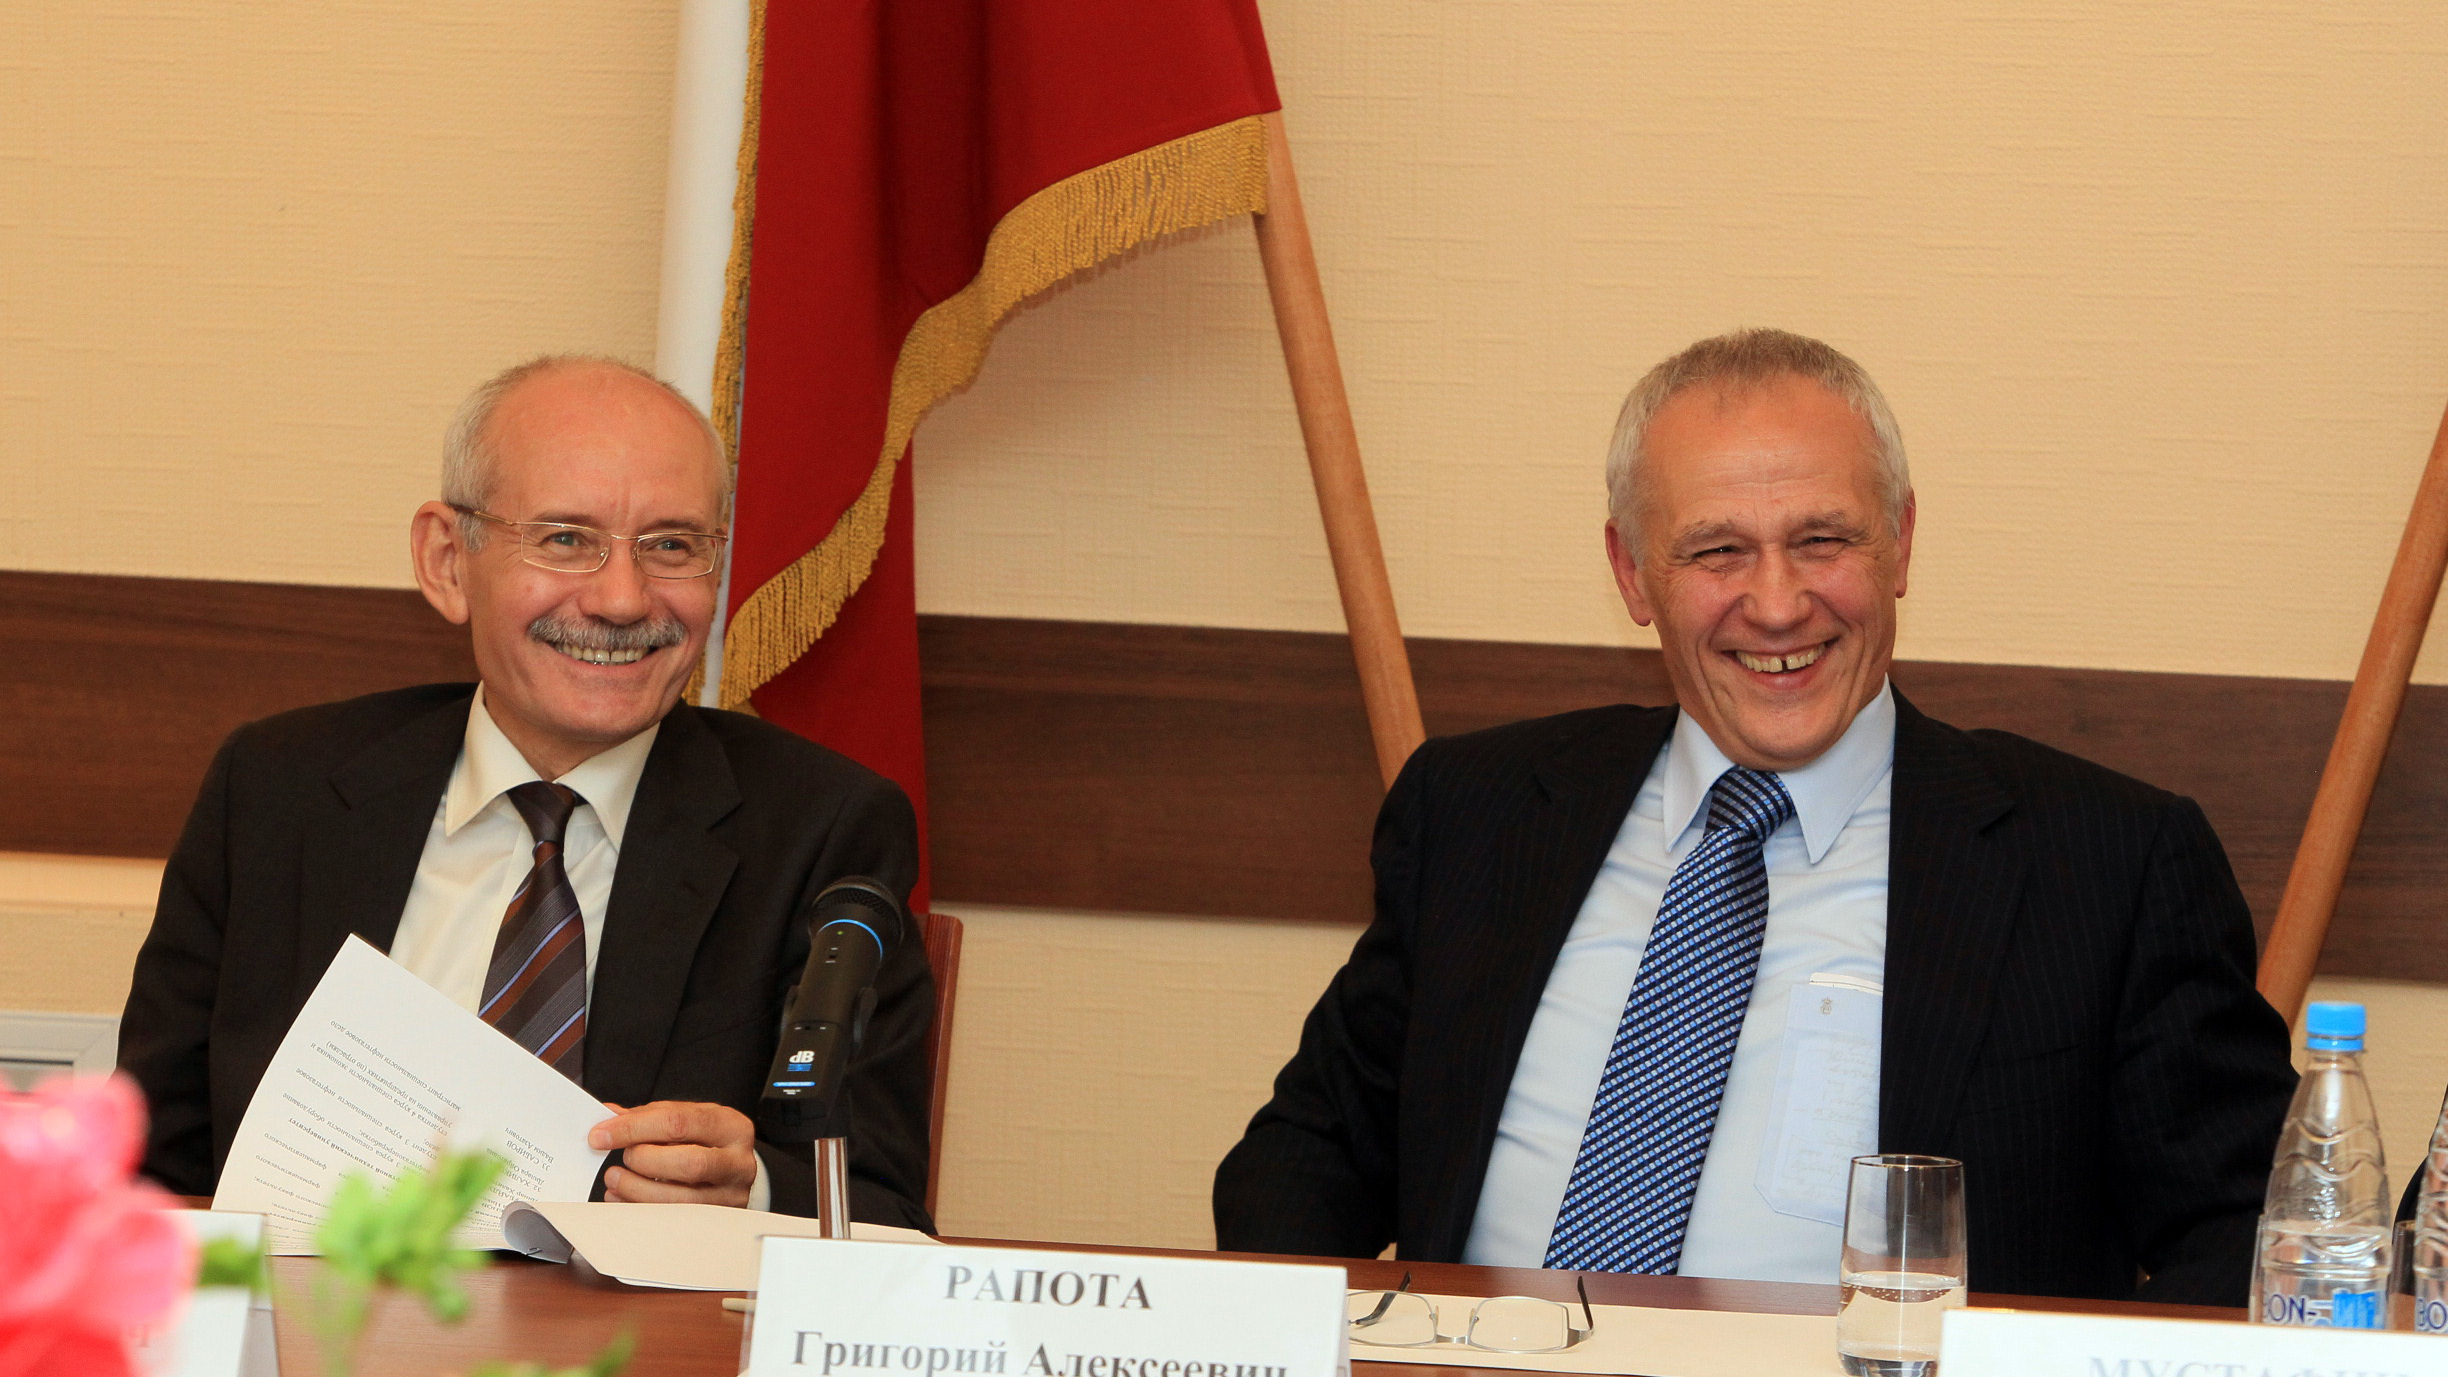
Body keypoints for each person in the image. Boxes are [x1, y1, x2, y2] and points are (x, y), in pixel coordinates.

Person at [1213, 328, 2297, 1303]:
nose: (1777, 604)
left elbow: (2246, 1235)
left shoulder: (2106, 864)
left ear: (1902, 542)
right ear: (1631, 572)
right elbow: (1306, 1157)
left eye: (1823, 539)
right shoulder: (1478, 812)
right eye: (1716, 551)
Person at [118, 355, 933, 1226]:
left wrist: (753, 1191)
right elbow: (149, 1174)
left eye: (670, 545)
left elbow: (881, 1208)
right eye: (566, 539)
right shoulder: (279, 791)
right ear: (448, 561)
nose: (622, 599)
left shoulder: (821, 829)